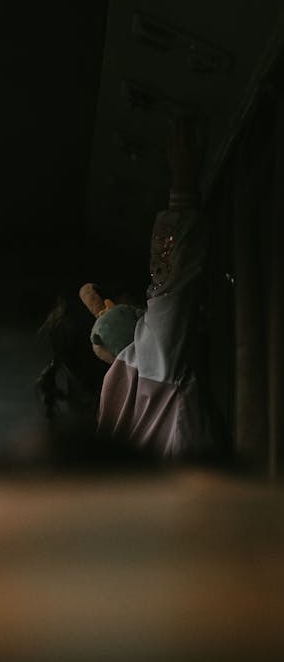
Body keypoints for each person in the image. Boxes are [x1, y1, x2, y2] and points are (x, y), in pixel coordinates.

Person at [79, 113, 225, 463]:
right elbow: (171, 288)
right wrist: (183, 188)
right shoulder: (145, 362)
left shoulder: (110, 413)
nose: (145, 308)